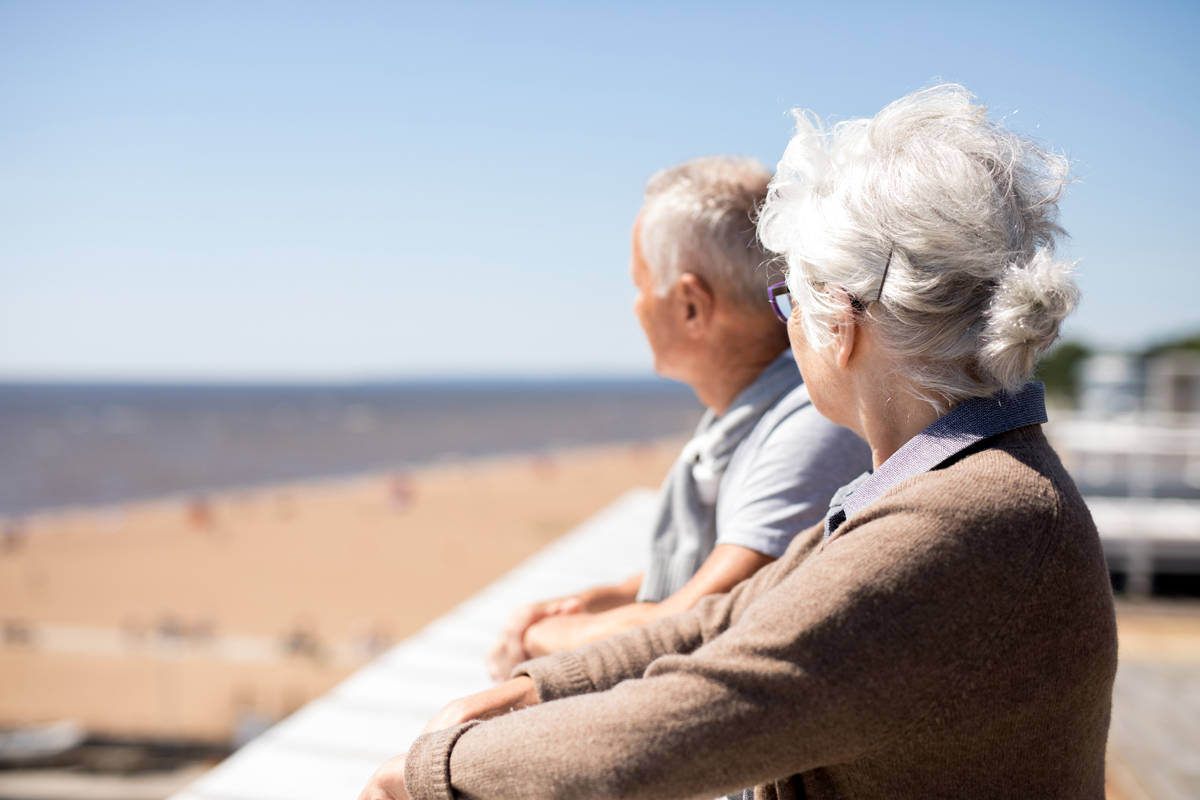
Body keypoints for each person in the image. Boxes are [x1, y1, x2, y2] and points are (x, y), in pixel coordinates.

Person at [359, 85, 1118, 800]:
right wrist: (538, 688)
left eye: (787, 294)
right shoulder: (967, 486)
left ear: (841, 321)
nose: (784, 322)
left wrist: (433, 773)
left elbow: (705, 710)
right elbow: (732, 617)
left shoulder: (969, 526)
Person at [485, 156, 871, 681]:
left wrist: (537, 637)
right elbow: (713, 558)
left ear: (691, 306)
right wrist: (593, 601)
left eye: (640, 285)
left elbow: (701, 621)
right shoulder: (746, 415)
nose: (635, 308)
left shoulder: (814, 421)